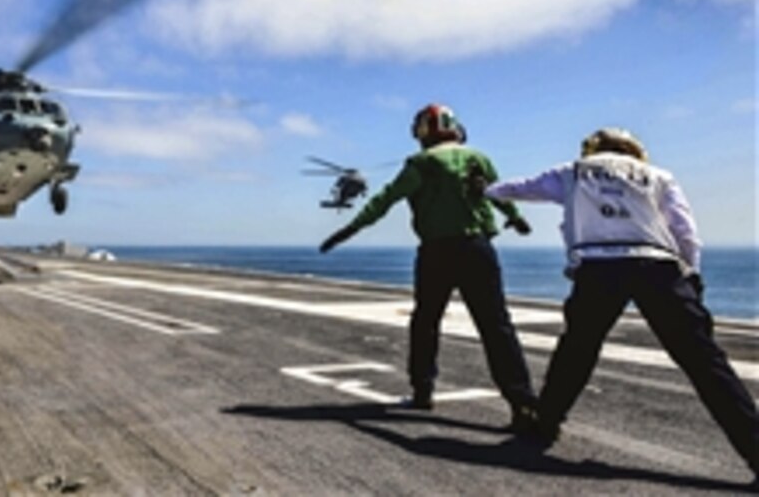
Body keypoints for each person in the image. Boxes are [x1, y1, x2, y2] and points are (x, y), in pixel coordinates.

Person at [485, 127, 758, 480]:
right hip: (657, 266)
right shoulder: (658, 175)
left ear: (592, 147)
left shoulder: (573, 170)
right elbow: (685, 231)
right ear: (634, 150)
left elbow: (519, 188)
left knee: (577, 350)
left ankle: (547, 423)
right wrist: (690, 274)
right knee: (705, 362)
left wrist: (487, 189)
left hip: (598, 268)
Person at [320, 103, 537, 429]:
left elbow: (385, 200)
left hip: (437, 253)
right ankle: (522, 403)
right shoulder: (477, 158)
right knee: (496, 326)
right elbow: (497, 194)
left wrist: (350, 229)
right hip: (477, 249)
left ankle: (423, 390)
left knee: (426, 321)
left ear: (422, 131)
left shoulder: (420, 163)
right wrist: (517, 219)